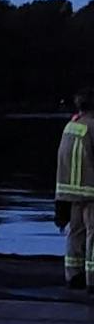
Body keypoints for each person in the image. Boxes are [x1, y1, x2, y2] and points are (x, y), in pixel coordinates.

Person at [56, 88, 94, 289]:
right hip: (90, 190)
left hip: (71, 190)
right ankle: (92, 279)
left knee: (76, 231)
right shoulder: (92, 127)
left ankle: (73, 274)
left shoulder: (71, 126)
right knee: (92, 233)